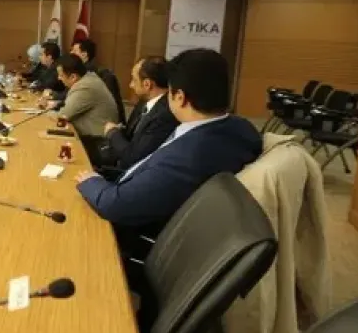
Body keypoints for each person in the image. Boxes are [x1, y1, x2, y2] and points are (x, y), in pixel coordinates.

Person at [74, 48, 262, 240]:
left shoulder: (188, 155)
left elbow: (115, 205)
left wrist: (91, 181)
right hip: (134, 191)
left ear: (180, 97)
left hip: (132, 233)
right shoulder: (241, 127)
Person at [98, 56, 178, 174]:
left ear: (147, 84)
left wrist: (112, 133)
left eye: (134, 80)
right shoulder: (144, 101)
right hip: (117, 160)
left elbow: (132, 158)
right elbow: (132, 136)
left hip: (131, 174)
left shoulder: (165, 115)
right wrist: (119, 131)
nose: (131, 85)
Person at [51, 54, 119, 138]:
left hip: (97, 140)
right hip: (93, 136)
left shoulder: (85, 87)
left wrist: (44, 113)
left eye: (61, 75)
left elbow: (62, 116)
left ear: (73, 77)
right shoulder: (89, 78)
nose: (58, 78)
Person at [71, 39, 125, 124]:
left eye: (74, 51)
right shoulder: (84, 71)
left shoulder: (95, 74)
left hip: (106, 124)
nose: (71, 53)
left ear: (84, 54)